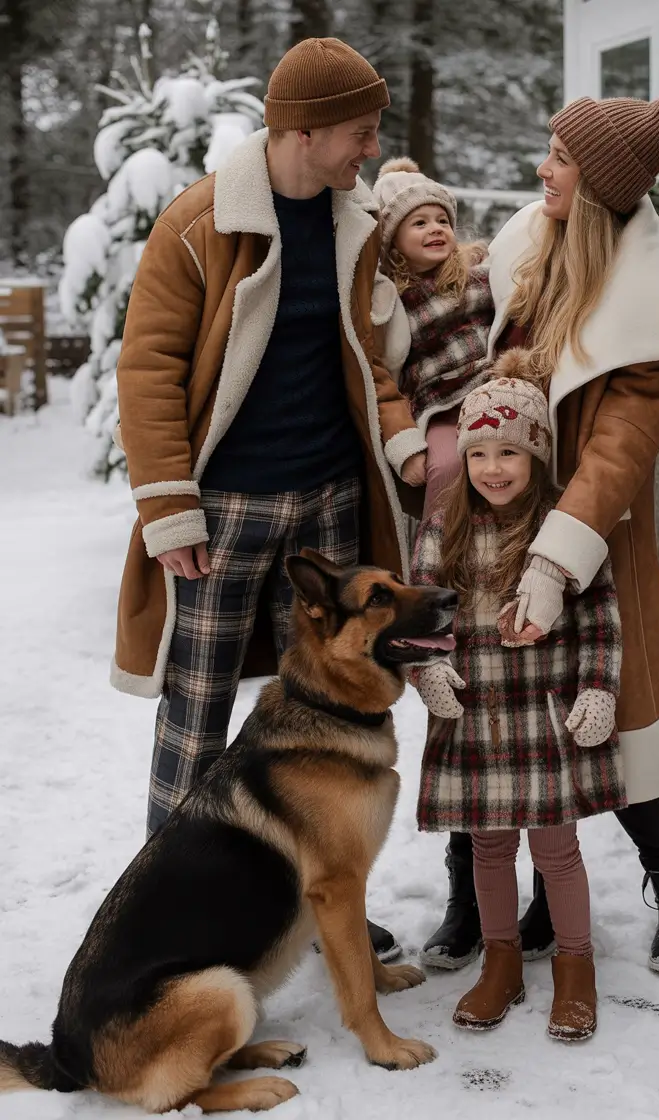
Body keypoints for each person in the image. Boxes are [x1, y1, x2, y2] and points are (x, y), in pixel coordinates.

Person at [111, 38, 429, 962]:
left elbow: (374, 349)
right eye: (360, 133)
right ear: (304, 129)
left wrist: (408, 442)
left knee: (329, 713)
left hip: (330, 501)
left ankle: (316, 894)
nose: (370, 150)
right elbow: (149, 371)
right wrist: (169, 506)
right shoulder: (199, 224)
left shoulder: (355, 220)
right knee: (197, 711)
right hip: (224, 512)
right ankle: (167, 915)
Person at [422, 95, 659, 974]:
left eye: (560, 158)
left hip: (586, 526)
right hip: (487, 511)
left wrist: (555, 559)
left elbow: (623, 441)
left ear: (601, 183)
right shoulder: (522, 251)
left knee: (603, 724)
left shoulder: (652, 291)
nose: (542, 170)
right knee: (484, 717)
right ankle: (478, 896)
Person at [410, 359, 622, 1040]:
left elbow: (601, 621)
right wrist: (429, 672)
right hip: (478, 717)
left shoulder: (564, 529)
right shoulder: (443, 525)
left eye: (509, 451)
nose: (493, 467)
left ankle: (575, 966)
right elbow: (421, 616)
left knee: (556, 852)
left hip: (545, 715)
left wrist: (598, 688)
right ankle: (500, 960)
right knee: (489, 849)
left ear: (536, 453)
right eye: (479, 452)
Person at [372, 158, 493, 518]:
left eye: (442, 221)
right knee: (444, 467)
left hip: (488, 386)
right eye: (420, 223)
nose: (435, 229)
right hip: (437, 401)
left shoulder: (478, 273)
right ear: (393, 240)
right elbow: (384, 364)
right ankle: (434, 559)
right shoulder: (388, 297)